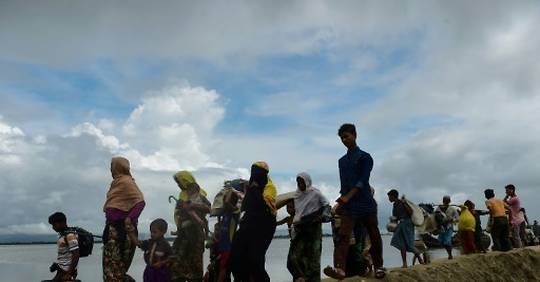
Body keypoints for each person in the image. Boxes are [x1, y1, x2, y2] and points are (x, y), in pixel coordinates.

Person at [324, 123, 385, 279]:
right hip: (350, 207)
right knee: (343, 236)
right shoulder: (342, 161)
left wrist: (346, 198)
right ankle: (340, 269)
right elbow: (344, 184)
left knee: (373, 234)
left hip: (365, 203)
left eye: (347, 136)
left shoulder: (365, 157)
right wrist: (340, 203)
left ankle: (379, 266)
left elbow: (362, 181)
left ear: (355, 135)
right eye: (342, 138)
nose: (344, 140)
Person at [230, 161, 277, 282]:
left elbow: (263, 207)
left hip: (264, 226)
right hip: (248, 225)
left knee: (255, 260)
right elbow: (245, 208)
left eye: (257, 173)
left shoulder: (269, 187)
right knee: (236, 255)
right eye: (253, 173)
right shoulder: (250, 188)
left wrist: (255, 189)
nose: (254, 176)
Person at [102, 157, 145, 282]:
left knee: (113, 271)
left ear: (118, 167)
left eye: (112, 166)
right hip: (114, 230)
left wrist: (129, 218)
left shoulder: (126, 182)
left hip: (123, 231)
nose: (111, 169)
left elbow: (140, 202)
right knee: (115, 269)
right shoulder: (117, 183)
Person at [287, 172, 331, 282]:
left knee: (314, 258)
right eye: (298, 182)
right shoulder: (297, 195)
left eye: (302, 182)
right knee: (294, 258)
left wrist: (323, 216)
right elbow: (298, 212)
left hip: (314, 227)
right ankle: (301, 278)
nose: (300, 185)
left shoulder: (316, 193)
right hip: (300, 227)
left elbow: (326, 205)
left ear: (307, 182)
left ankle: (312, 280)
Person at [170, 171, 211, 282]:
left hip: (195, 232)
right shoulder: (182, 195)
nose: (179, 185)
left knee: (195, 262)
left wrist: (192, 205)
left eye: (180, 182)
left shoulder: (200, 194)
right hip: (183, 233)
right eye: (177, 183)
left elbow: (208, 208)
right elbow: (178, 212)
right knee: (177, 261)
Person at [387, 189, 424, 268]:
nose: (389, 198)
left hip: (407, 224)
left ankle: (421, 259)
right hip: (401, 224)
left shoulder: (402, 202)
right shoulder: (395, 205)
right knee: (401, 245)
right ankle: (405, 264)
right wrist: (392, 219)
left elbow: (410, 212)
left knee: (409, 245)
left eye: (389, 197)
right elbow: (396, 217)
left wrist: (404, 203)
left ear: (393, 196)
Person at [44, 212, 80, 282]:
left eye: (54, 224)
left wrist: (69, 273)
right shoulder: (62, 235)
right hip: (61, 269)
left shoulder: (70, 236)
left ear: (62, 222)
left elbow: (76, 255)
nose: (53, 227)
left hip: (65, 271)